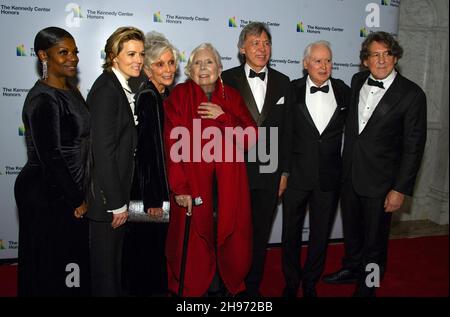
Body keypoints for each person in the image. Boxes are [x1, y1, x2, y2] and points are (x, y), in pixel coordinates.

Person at [322, 31, 427, 297]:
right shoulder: (357, 81)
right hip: (351, 175)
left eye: (387, 54)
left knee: (376, 240)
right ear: (365, 61)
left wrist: (399, 189)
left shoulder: (412, 94)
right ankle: (352, 268)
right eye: (375, 55)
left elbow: (413, 148)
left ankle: (369, 284)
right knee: (353, 233)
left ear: (395, 57)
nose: (381, 60)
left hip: (382, 182)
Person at [164, 43, 257, 296]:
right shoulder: (179, 97)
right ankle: (196, 287)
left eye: (209, 62)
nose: (204, 67)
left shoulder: (233, 97)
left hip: (228, 185)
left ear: (220, 68)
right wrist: (180, 187)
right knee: (193, 239)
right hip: (193, 185)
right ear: (190, 69)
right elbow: (172, 146)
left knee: (228, 234)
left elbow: (250, 138)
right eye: (197, 62)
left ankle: (224, 283)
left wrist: (224, 116)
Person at [14, 26, 90, 296]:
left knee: (70, 265)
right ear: (43, 56)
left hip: (67, 188)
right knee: (51, 264)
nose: (73, 58)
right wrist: (76, 198)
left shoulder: (71, 90)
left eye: (75, 51)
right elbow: (51, 156)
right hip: (47, 191)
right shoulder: (42, 98)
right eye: (63, 52)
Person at [221, 22, 290, 297]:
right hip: (235, 171)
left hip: (270, 171)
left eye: (266, 43)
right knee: (232, 234)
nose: (261, 48)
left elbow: (288, 133)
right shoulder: (226, 79)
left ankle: (251, 288)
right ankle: (229, 285)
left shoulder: (284, 82)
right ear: (241, 48)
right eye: (255, 43)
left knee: (260, 236)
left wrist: (284, 172)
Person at [281, 41, 350, 297]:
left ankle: (310, 283)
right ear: (305, 63)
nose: (324, 66)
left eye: (328, 60)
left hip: (329, 177)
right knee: (290, 234)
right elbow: (282, 134)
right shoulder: (292, 90)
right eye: (318, 61)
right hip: (296, 175)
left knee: (320, 236)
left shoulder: (344, 91)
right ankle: (291, 282)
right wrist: (282, 172)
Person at [86, 26, 145, 297]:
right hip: (108, 203)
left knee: (113, 270)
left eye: (141, 54)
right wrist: (117, 203)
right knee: (105, 276)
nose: (138, 60)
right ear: (113, 56)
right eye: (131, 53)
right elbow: (103, 151)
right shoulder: (107, 90)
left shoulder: (119, 86)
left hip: (116, 198)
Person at [122, 31, 179, 296]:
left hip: (156, 188)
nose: (168, 69)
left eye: (171, 62)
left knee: (154, 252)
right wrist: (153, 200)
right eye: (160, 64)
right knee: (146, 254)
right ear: (147, 68)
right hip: (148, 193)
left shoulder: (164, 96)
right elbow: (148, 153)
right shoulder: (148, 98)